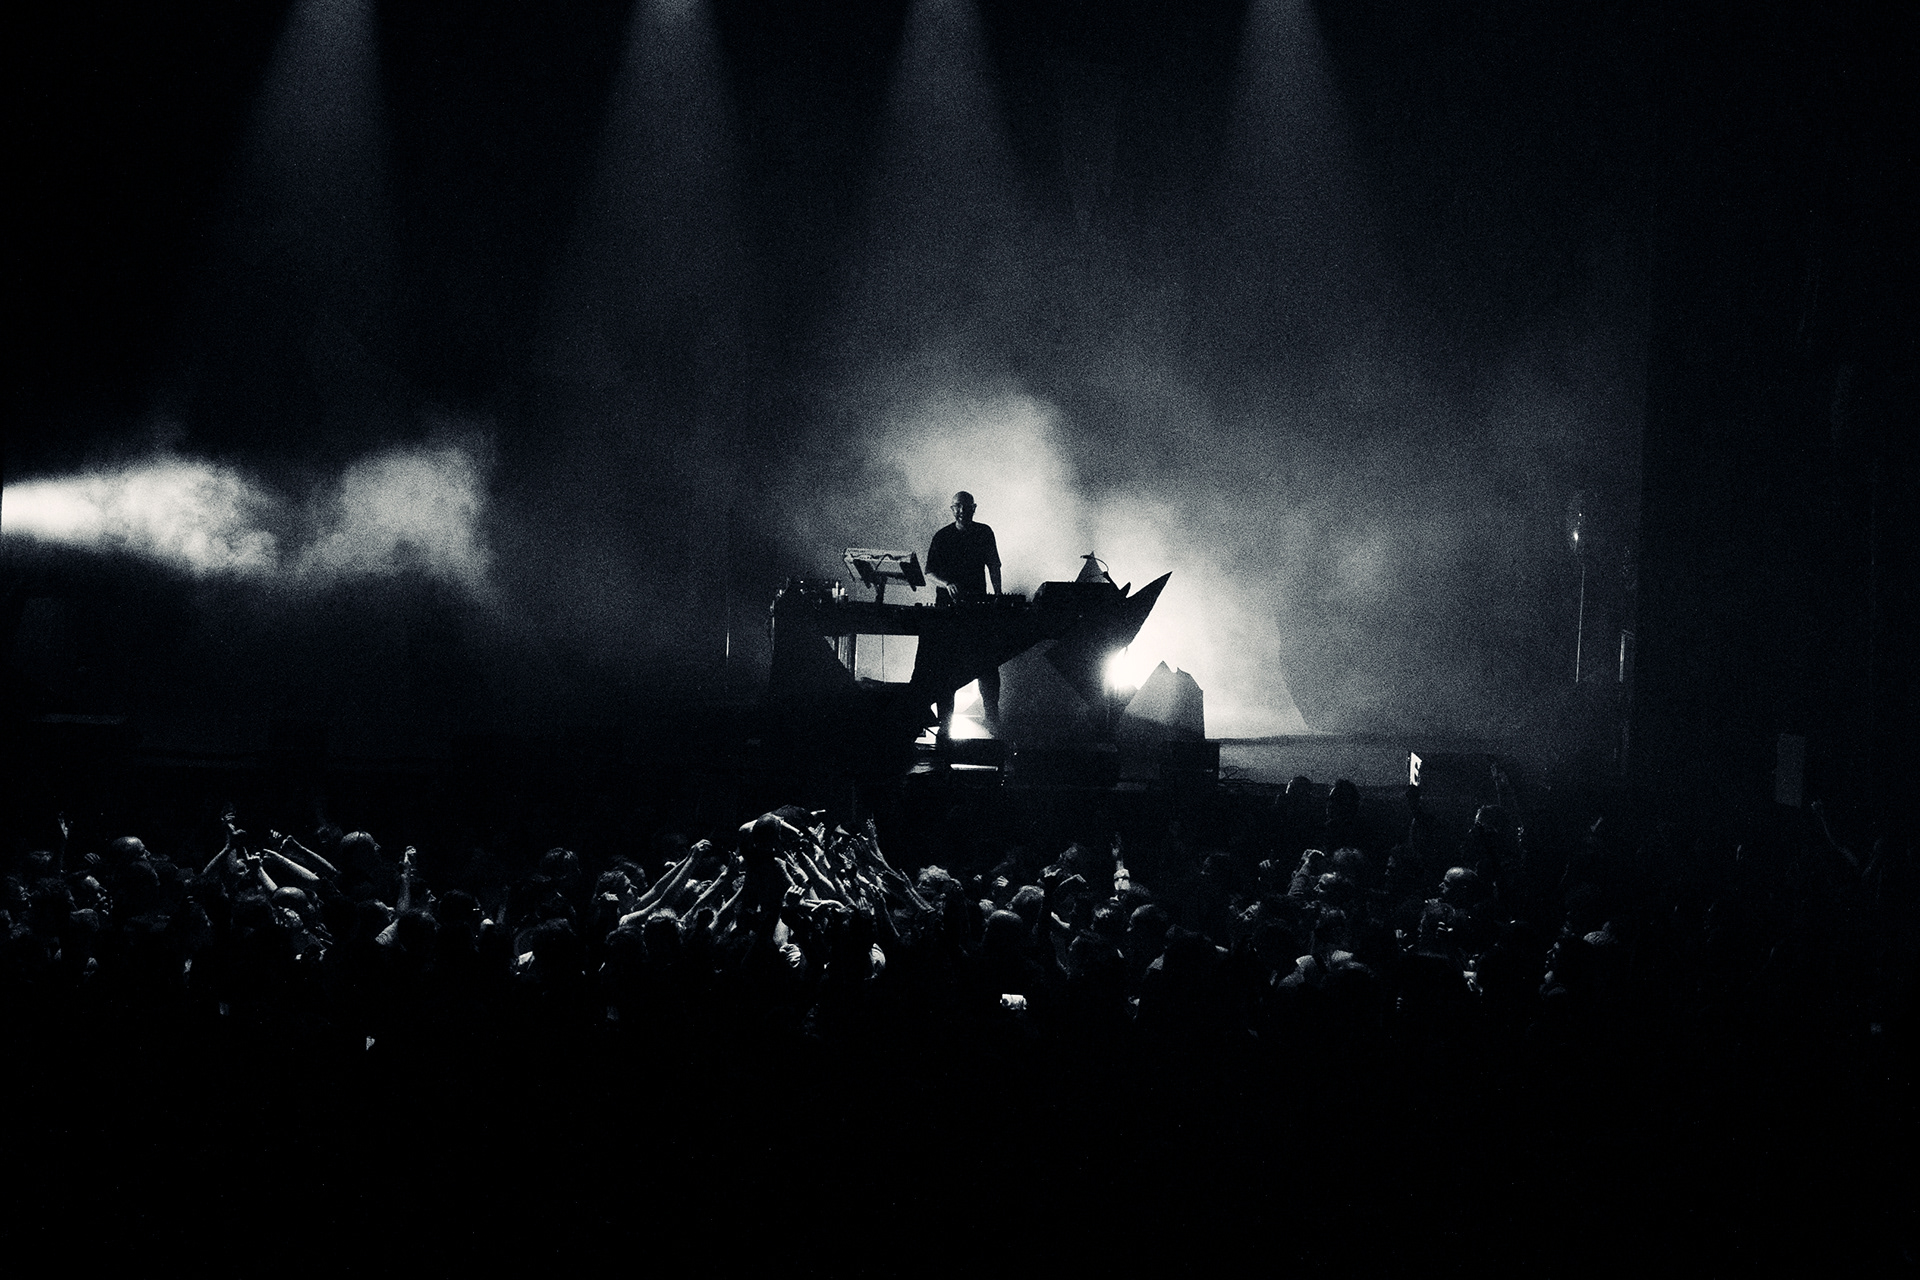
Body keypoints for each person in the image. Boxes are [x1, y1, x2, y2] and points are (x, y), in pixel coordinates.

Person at [925, 491, 1004, 739]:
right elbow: (929, 572)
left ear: (974, 508)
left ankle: (992, 717)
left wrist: (998, 594)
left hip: (978, 607)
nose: (961, 511)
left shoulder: (984, 532)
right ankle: (945, 723)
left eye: (965, 506)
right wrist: (947, 583)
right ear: (952, 509)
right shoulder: (942, 536)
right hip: (948, 610)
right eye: (957, 507)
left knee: (986, 666)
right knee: (946, 667)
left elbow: (994, 565)